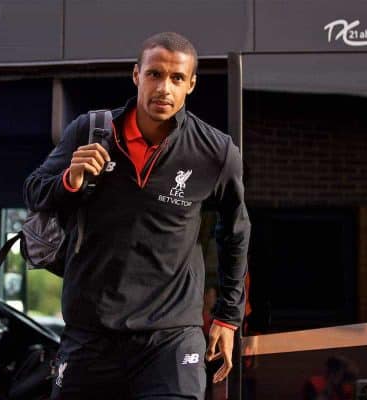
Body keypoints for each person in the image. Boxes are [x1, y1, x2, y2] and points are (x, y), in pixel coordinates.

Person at [24, 32, 250, 399]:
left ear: (191, 84)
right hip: (91, 334)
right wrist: (71, 179)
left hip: (171, 339)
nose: (164, 88)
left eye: (177, 78)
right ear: (136, 76)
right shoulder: (90, 130)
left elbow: (236, 232)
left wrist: (227, 317)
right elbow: (34, 191)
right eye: (154, 74)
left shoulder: (216, 152)